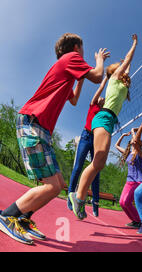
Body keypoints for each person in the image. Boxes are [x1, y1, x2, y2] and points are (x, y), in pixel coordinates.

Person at [0, 33, 108, 245]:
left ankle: (23, 218)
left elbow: (75, 100)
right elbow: (97, 75)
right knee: (51, 185)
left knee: (57, 184)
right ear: (76, 47)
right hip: (34, 122)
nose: (84, 54)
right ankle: (7, 216)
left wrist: (80, 79)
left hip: (40, 128)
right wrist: (99, 61)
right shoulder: (70, 58)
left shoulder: (67, 70)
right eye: (83, 49)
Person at [69, 34, 138, 220]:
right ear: (116, 71)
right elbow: (128, 61)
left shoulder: (122, 84)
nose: (124, 69)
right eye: (121, 67)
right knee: (97, 162)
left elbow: (128, 69)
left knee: (99, 163)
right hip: (103, 117)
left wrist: (127, 64)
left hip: (108, 120)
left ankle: (79, 198)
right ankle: (78, 197)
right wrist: (134, 44)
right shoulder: (114, 77)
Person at [67, 76, 108, 217]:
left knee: (96, 170)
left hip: (96, 138)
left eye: (104, 99)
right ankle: (70, 196)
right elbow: (101, 89)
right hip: (86, 136)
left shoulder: (104, 114)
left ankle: (95, 203)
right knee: (78, 166)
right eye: (100, 97)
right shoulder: (93, 105)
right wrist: (106, 78)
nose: (102, 98)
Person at [115, 127, 142, 229]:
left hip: (138, 181)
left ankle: (139, 221)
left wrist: (133, 132)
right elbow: (116, 145)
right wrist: (123, 136)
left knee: (127, 201)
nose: (133, 140)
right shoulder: (127, 153)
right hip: (129, 181)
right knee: (122, 202)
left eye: (134, 139)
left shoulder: (140, 153)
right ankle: (135, 221)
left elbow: (136, 141)